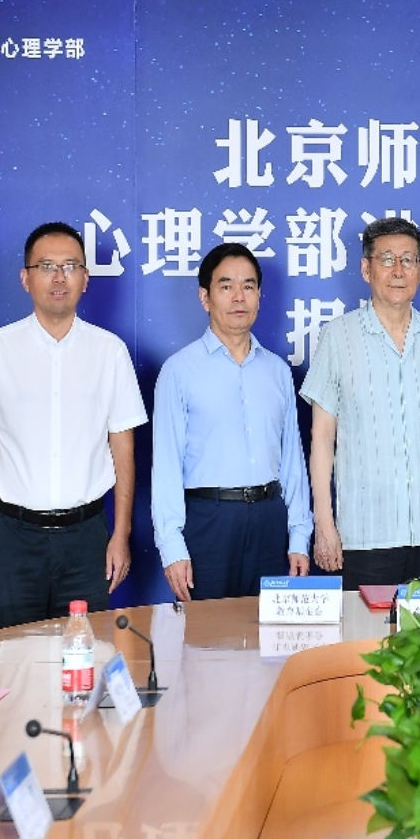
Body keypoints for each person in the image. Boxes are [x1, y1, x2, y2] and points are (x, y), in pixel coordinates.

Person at [0, 222, 147, 629]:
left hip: (87, 539)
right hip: (11, 537)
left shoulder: (110, 352)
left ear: (85, 278)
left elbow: (123, 450)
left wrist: (120, 535)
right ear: (25, 278)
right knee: (9, 657)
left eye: (70, 266)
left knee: (86, 655)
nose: (59, 277)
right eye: (46, 266)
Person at [301, 217, 420, 589]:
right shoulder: (338, 337)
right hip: (364, 534)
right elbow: (322, 438)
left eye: (408, 260)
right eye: (387, 259)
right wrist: (324, 523)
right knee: (365, 628)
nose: (398, 271)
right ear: (366, 268)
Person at [152, 243, 311, 601]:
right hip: (208, 522)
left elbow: (292, 462)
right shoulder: (179, 371)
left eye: (248, 286)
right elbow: (166, 466)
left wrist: (299, 536)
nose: (239, 297)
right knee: (207, 633)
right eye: (226, 286)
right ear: (205, 297)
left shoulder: (277, 371)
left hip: (270, 521)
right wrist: (172, 547)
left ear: (259, 295)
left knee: (268, 632)